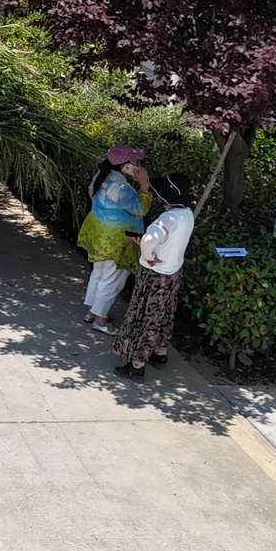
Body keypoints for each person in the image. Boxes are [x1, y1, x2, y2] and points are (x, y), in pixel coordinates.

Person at [113, 173, 197, 380]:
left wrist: (148, 256)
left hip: (154, 275)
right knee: (165, 313)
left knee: (145, 317)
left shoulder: (168, 218)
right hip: (173, 272)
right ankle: (160, 353)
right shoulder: (187, 214)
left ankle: (137, 365)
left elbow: (149, 240)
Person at [78, 144, 151, 334]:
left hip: (100, 236)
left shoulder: (101, 177)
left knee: (99, 273)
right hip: (117, 240)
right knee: (112, 280)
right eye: (134, 162)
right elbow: (141, 209)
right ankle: (100, 320)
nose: (137, 164)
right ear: (125, 166)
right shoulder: (121, 188)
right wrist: (144, 186)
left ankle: (92, 311)